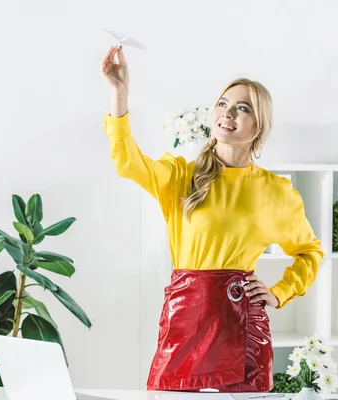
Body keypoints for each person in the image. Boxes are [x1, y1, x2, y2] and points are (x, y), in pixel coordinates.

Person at [100, 44, 324, 393]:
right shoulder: (180, 175)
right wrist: (119, 93)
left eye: (242, 107)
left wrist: (278, 293)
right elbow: (127, 162)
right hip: (185, 319)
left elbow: (310, 252)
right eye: (223, 104)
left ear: (259, 125)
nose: (228, 113)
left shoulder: (277, 192)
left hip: (243, 326)